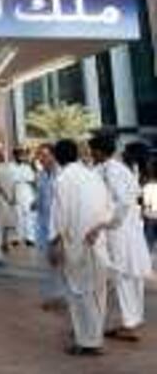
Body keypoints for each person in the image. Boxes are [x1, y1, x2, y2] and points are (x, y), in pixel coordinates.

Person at [49, 139, 113, 356]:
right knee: (97, 293)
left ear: (57, 157)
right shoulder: (93, 175)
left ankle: (87, 342)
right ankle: (94, 338)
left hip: (76, 243)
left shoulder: (63, 179)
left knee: (79, 294)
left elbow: (61, 214)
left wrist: (56, 243)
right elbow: (108, 207)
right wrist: (98, 228)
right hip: (98, 240)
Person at [88, 135, 152, 342]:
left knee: (123, 275)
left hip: (120, 230)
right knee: (129, 276)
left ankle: (128, 323)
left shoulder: (113, 170)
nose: (90, 154)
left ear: (98, 151)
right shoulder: (115, 168)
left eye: (92, 150)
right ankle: (131, 320)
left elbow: (124, 201)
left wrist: (109, 222)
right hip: (126, 228)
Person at [34, 143, 65, 311]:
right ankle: (57, 296)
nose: (41, 159)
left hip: (61, 225)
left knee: (62, 262)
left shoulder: (63, 175)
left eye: (45, 155)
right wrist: (35, 203)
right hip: (45, 224)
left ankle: (63, 296)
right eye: (39, 155)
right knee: (51, 262)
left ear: (53, 155)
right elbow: (40, 198)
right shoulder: (40, 176)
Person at [0, 150, 19, 251]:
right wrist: (13, 197)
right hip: (8, 198)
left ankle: (1, 242)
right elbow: (14, 183)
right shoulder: (8, 168)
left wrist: (8, 197)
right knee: (5, 221)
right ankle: (4, 241)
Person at [13, 147, 38, 246]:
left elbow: (33, 181)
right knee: (17, 215)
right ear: (14, 156)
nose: (21, 157)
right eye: (19, 155)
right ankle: (18, 237)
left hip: (27, 192)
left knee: (29, 214)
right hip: (16, 191)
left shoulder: (27, 167)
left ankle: (30, 238)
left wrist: (35, 195)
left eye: (22, 155)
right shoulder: (11, 167)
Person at [143, 159, 157, 252]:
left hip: (151, 218)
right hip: (151, 218)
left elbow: (146, 205)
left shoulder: (148, 186)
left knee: (148, 246)